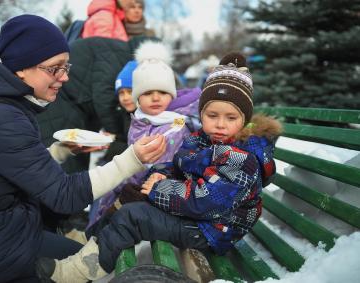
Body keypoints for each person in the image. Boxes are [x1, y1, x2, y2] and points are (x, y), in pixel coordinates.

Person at [0, 14, 166, 283]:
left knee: (73, 253)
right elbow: (63, 195)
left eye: (66, 67)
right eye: (54, 68)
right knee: (76, 266)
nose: (65, 77)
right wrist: (132, 159)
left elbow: (7, 166)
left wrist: (59, 151)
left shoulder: (0, 105)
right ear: (22, 68)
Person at [42, 52, 282, 282]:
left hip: (213, 229)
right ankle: (88, 243)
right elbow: (179, 166)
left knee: (133, 216)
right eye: (212, 115)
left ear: (244, 120)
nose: (220, 124)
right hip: (198, 217)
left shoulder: (241, 159)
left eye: (231, 118)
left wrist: (159, 189)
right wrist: (158, 174)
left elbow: (208, 202)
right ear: (202, 113)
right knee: (129, 199)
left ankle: (78, 272)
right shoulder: (203, 140)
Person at [86, 40, 197, 228]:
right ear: (138, 97)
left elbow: (153, 167)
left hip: (158, 195)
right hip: (136, 187)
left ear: (172, 94)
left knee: (111, 215)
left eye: (162, 91)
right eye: (147, 93)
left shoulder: (175, 126)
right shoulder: (140, 119)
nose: (155, 97)